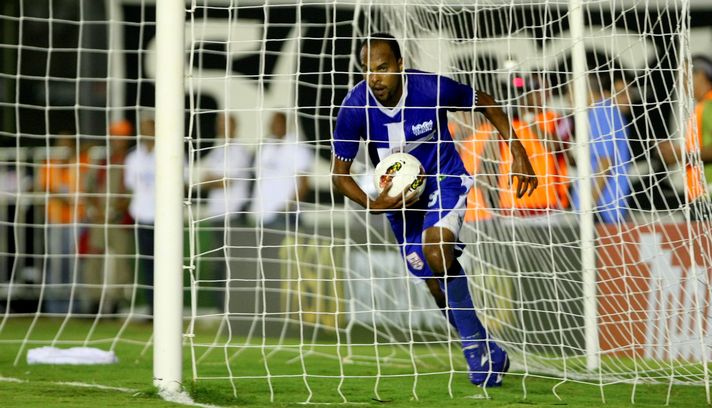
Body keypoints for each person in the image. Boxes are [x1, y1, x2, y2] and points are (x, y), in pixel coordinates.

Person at [331, 33, 537, 387]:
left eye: (382, 68)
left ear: (400, 65)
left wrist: (517, 150)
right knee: (434, 283)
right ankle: (489, 348)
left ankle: (473, 350)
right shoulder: (354, 107)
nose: (375, 78)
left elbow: (485, 102)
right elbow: (339, 174)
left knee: (437, 249)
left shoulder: (431, 89)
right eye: (367, 69)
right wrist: (373, 203)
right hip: (400, 203)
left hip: (445, 179)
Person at [200, 113, 252, 310]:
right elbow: (207, 179)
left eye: (224, 123)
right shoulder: (217, 150)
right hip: (217, 214)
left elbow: (226, 181)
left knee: (232, 263)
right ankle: (220, 308)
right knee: (218, 263)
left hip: (233, 214)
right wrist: (213, 180)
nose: (220, 127)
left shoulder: (239, 151)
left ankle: (234, 307)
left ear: (234, 126)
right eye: (219, 123)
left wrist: (211, 180)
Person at [84, 119, 135, 315]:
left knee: (121, 262)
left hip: (120, 220)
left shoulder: (131, 162)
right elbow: (89, 189)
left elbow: (133, 192)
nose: (117, 141)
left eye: (121, 137)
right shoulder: (102, 163)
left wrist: (117, 210)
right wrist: (96, 210)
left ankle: (116, 302)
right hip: (99, 219)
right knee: (93, 259)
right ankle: (94, 301)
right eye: (114, 137)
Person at [38, 134, 89, 313]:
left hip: (77, 221)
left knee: (76, 265)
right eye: (61, 144)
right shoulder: (49, 164)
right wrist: (62, 198)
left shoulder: (81, 162)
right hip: (55, 221)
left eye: (67, 144)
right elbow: (44, 188)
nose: (64, 149)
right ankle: (55, 308)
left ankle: (75, 308)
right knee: (56, 264)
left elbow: (94, 145)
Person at [571, 74, 631, 224]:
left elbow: (605, 162)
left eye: (570, 92)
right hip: (609, 205)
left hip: (600, 207)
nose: (568, 98)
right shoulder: (613, 113)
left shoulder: (602, 111)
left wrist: (589, 204)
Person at [660, 54, 712, 214]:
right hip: (699, 195)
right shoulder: (702, 106)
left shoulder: (709, 106)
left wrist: (680, 155)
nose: (680, 83)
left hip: (707, 195)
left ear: (701, 75)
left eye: (684, 76)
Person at [248, 112, 312, 230]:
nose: (274, 126)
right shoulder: (265, 145)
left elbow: (304, 184)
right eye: (272, 123)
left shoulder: (298, 147)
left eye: (277, 123)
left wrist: (287, 209)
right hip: (260, 215)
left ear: (285, 124)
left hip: (284, 217)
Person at [124, 113, 157, 316]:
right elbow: (130, 186)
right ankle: (152, 309)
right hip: (141, 216)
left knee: (166, 265)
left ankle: (167, 310)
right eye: (143, 128)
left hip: (164, 219)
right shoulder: (133, 157)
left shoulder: (171, 152)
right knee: (147, 265)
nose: (146, 132)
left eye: (149, 127)